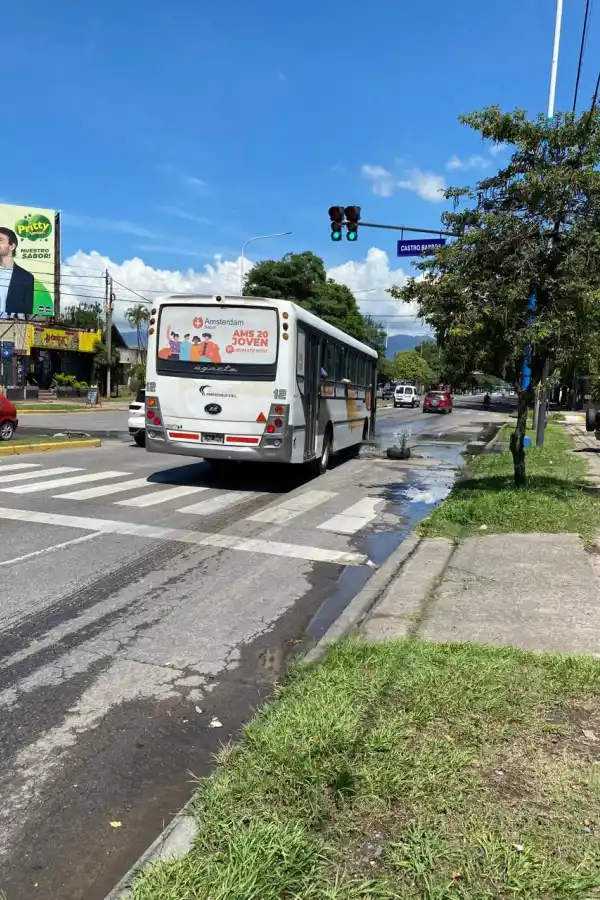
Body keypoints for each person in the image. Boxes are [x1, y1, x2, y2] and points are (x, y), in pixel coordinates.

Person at [0, 227, 34, 317]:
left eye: (0, 240)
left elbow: (28, 308)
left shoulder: (26, 277)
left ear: (12, 246)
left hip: (13, 326)